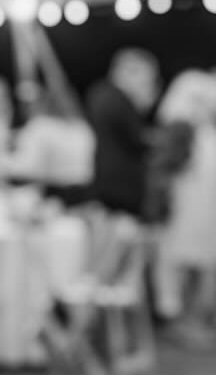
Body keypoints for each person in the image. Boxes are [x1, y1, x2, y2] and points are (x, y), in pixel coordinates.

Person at [149, 69, 216, 341]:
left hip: (204, 212)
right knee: (182, 264)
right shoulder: (181, 132)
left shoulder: (205, 134)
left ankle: (197, 319)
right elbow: (162, 172)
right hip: (185, 212)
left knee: (202, 265)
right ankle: (181, 321)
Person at [85, 48, 160, 218]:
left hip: (107, 182)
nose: (148, 85)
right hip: (122, 187)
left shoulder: (101, 93)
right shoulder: (118, 99)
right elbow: (137, 139)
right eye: (146, 79)